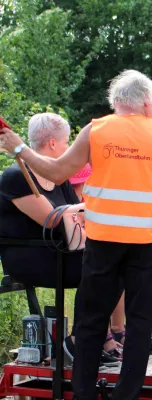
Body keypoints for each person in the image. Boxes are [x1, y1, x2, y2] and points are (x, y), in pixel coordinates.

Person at [0, 70, 152, 400]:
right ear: (147, 103)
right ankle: (126, 395)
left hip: (102, 242)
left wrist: (20, 149)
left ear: (116, 103)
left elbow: (57, 171)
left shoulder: (97, 130)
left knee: (90, 320)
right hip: (146, 242)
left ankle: (84, 394)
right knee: (141, 320)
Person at [0, 113, 122, 366]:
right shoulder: (16, 176)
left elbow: (76, 216)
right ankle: (80, 340)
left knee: (116, 262)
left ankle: (95, 336)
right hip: (29, 256)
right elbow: (53, 219)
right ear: (53, 144)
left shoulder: (59, 179)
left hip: (60, 251)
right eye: (67, 142)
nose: (69, 149)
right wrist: (97, 208)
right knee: (99, 269)